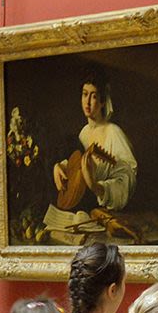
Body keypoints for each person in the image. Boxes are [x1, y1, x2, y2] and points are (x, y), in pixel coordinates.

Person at [51, 72, 138, 213]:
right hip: (82, 209)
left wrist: (95, 186)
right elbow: (77, 165)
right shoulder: (84, 132)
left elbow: (127, 181)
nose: (88, 102)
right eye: (85, 94)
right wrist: (60, 166)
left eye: (94, 96)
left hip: (105, 212)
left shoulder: (113, 133)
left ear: (102, 101)